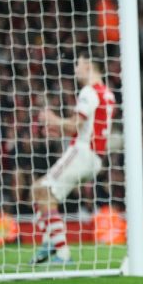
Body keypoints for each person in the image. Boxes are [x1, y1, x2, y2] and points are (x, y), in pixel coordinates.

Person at [31, 54, 115, 264]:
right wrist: (59, 130)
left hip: (83, 152)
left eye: (78, 65)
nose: (75, 70)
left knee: (45, 191)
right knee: (38, 188)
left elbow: (75, 125)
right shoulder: (108, 94)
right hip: (95, 156)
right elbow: (87, 129)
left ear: (88, 66)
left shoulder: (89, 91)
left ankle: (60, 251)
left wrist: (54, 119)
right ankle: (49, 241)